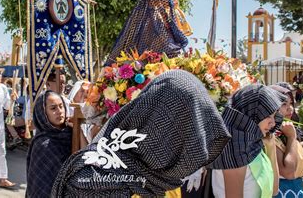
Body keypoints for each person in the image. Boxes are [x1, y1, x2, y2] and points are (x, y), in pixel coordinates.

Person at [52, 70, 230, 196]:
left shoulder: (162, 178)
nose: (194, 146)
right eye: (188, 132)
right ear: (163, 128)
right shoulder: (89, 183)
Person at [211, 84, 285, 198]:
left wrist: (270, 146)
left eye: (274, 116)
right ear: (251, 113)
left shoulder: (252, 144)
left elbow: (274, 190)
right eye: (268, 116)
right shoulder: (234, 149)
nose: (273, 123)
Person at [106, 0, 189, 65]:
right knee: (165, 45)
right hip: (152, 22)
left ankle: (166, 63)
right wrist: (170, 2)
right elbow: (160, 2)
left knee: (170, 44)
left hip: (163, 22)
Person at [26, 90, 72, 198]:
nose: (60, 111)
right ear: (43, 113)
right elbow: (39, 187)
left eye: (61, 106)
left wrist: (77, 129)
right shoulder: (42, 144)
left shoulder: (71, 133)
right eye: (53, 108)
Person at [269, 84, 303, 197]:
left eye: (291, 103)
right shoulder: (270, 135)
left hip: (296, 189)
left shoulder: (287, 128)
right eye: (284, 104)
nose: (290, 108)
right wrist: (291, 137)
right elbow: (288, 172)